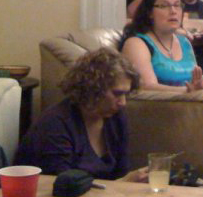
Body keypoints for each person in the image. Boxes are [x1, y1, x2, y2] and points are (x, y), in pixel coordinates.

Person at [14, 48, 147, 182]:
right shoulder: (55, 124)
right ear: (93, 88)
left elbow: (120, 173)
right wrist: (126, 182)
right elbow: (62, 187)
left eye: (126, 94)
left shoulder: (115, 118)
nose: (123, 103)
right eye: (117, 94)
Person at [121, 0, 203, 92]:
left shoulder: (184, 42)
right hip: (162, 107)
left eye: (177, 5)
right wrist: (188, 91)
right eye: (164, 5)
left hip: (192, 105)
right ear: (149, 12)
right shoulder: (136, 43)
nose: (173, 11)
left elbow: (194, 81)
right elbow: (147, 87)